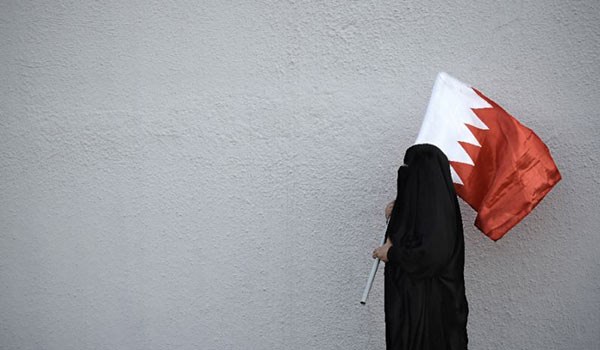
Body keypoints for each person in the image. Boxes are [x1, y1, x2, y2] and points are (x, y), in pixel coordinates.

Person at [372, 143, 469, 350]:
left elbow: (429, 255)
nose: (405, 175)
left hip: (432, 321)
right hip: (417, 315)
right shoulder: (431, 206)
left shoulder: (438, 213)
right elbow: (413, 232)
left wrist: (392, 253)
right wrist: (399, 213)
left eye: (410, 169)